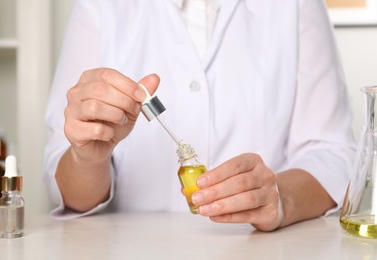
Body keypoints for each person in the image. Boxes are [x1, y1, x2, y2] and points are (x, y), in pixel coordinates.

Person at [44, 0, 356, 232]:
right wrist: (88, 159)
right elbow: (66, 190)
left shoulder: (295, 6)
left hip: (259, 249)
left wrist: (280, 197)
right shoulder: (101, 6)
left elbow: (334, 155)